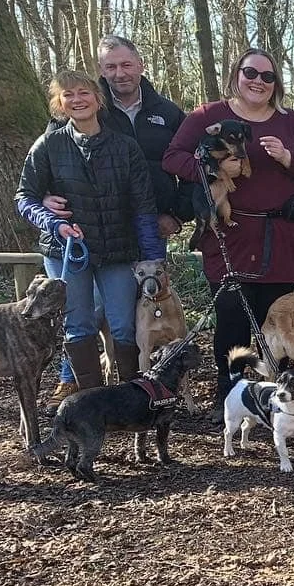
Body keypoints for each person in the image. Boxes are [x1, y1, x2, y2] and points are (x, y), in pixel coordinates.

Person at [163, 49, 294, 411]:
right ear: (236, 74)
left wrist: (288, 158)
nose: (258, 81)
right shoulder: (209, 116)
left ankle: (280, 400)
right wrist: (216, 170)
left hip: (280, 235)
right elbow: (173, 157)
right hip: (229, 234)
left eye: (268, 76)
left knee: (278, 320)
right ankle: (231, 397)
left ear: (276, 84)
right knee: (233, 317)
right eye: (250, 72)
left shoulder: (291, 121)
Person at [41, 35, 191, 402]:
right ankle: (77, 383)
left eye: (126, 65)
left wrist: (176, 214)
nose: (120, 73)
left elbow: (192, 170)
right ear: (101, 72)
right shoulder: (89, 108)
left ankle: (141, 388)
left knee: (132, 313)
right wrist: (45, 200)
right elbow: (48, 165)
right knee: (87, 309)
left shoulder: (168, 113)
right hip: (89, 232)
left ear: (140, 65)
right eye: (111, 67)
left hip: (149, 226)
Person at [15, 71, 165, 390]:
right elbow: (24, 197)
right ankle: (91, 402)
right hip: (66, 251)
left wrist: (153, 258)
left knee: (124, 326)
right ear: (59, 103)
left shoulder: (125, 148)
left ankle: (130, 398)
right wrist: (54, 222)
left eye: (83, 93)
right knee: (78, 325)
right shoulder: (47, 146)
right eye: (68, 95)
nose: (77, 100)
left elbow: (143, 208)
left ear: (98, 99)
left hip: (119, 251)